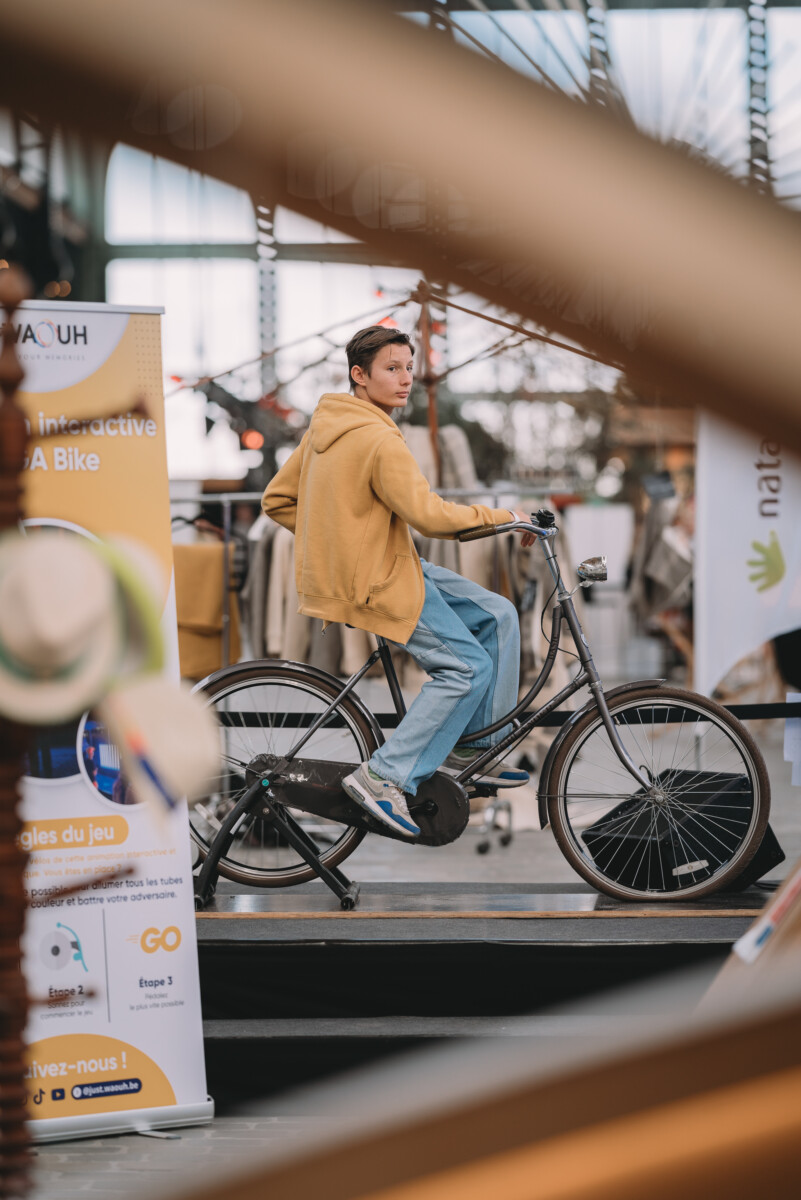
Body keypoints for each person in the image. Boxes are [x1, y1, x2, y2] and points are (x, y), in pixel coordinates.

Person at [262, 325, 532, 840]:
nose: (406, 379)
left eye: (409, 367)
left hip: (391, 564)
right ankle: (382, 775)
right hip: (380, 580)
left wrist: (340, 539)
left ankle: (474, 746)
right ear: (359, 376)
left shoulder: (326, 426)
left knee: (498, 614)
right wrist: (507, 517)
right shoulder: (378, 437)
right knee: (465, 669)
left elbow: (277, 501)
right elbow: (430, 517)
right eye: (392, 368)